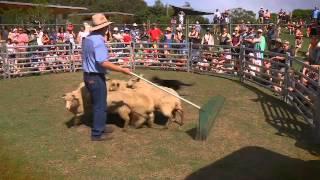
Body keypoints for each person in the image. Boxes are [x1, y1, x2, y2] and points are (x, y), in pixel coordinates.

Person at [82, 13, 131, 141]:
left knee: (97, 104)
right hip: (96, 76)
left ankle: (100, 126)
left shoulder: (88, 38)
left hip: (88, 75)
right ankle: (97, 133)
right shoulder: (98, 41)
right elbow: (102, 62)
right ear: (104, 28)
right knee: (100, 106)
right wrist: (121, 69)